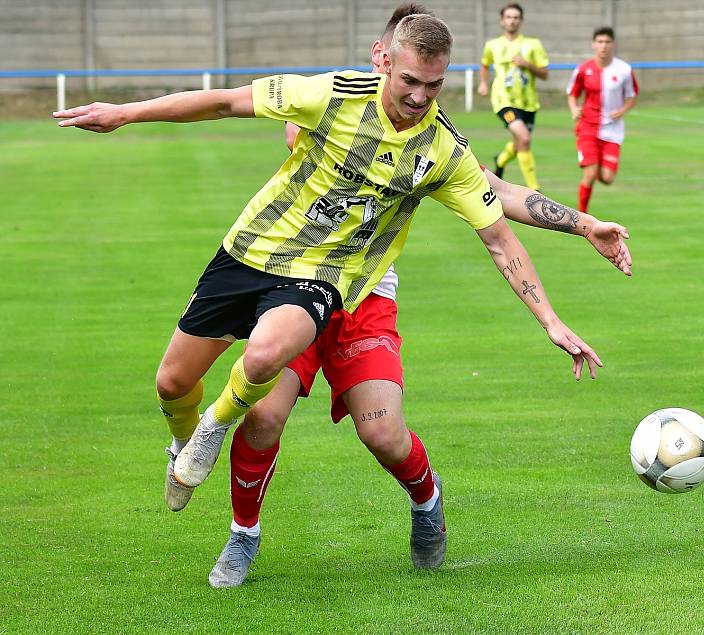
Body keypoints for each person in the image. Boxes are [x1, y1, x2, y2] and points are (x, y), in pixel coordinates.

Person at [195, 6, 629, 589]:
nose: (421, 93)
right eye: (410, 76)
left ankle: (427, 501)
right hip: (292, 284)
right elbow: (249, 114)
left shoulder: (434, 142)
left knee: (382, 435)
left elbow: (496, 195)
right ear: (384, 55)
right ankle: (243, 534)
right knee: (263, 417)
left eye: (432, 82)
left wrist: (580, 226)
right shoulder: (328, 103)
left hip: (365, 297)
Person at [566, 27, 638, 213]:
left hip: (612, 130)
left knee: (607, 178)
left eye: (607, 42)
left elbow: (632, 96)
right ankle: (582, 217)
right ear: (593, 44)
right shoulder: (583, 69)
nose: (603, 46)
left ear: (612, 44)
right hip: (587, 127)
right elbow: (573, 94)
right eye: (599, 42)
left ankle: (596, 164)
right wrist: (574, 109)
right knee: (589, 174)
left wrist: (622, 111)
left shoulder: (624, 70)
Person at [477, 3, 548, 189]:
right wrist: (483, 83)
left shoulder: (533, 45)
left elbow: (544, 74)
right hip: (503, 101)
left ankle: (500, 160)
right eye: (508, 17)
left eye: (516, 17)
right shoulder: (492, 45)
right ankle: (535, 189)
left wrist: (527, 64)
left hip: (528, 103)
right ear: (502, 21)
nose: (512, 21)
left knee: (519, 143)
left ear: (521, 21)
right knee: (524, 138)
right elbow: (484, 64)